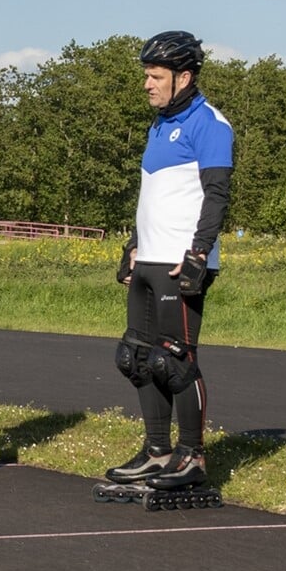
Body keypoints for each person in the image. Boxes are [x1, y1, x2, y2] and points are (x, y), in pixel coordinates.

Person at [107, 31, 233, 492]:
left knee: (175, 360)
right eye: (146, 75)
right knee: (137, 358)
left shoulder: (211, 124)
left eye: (155, 76)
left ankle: (192, 456)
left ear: (184, 76)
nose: (147, 84)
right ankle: (158, 451)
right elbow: (153, 193)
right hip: (150, 256)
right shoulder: (158, 125)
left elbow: (217, 194)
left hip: (182, 260)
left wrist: (200, 252)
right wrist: (134, 245)